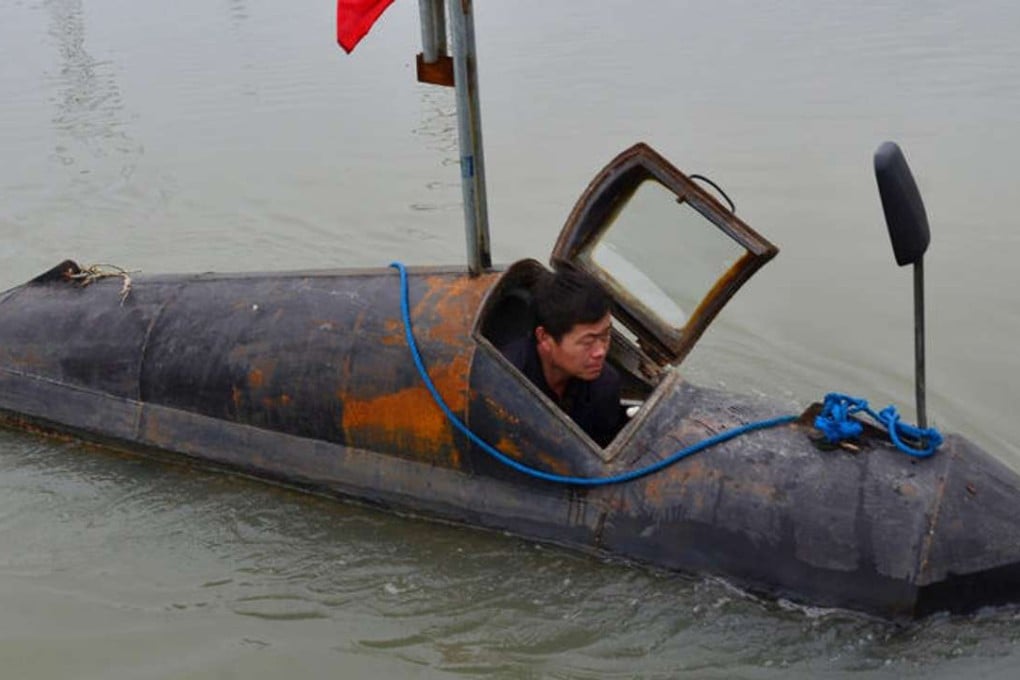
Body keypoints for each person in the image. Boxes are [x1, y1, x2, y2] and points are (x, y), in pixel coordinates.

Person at [500, 267, 624, 447]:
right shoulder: (505, 381)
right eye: (588, 342)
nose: (601, 352)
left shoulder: (605, 385)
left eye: (605, 336)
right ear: (544, 338)